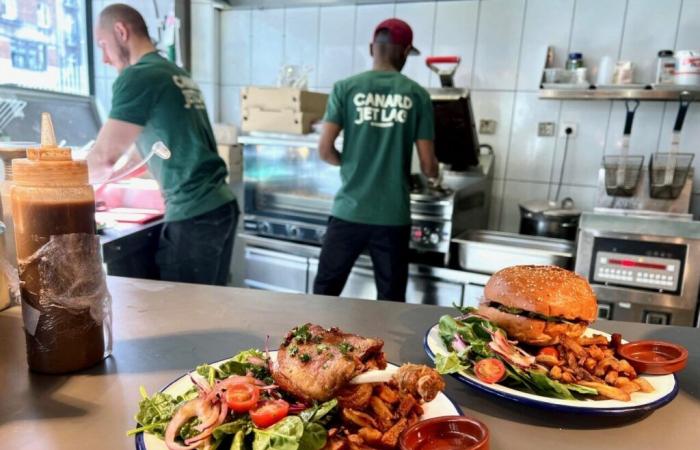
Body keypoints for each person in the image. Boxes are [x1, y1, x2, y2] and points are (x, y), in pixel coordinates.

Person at [89, 4, 237, 286]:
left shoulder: (138, 76)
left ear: (121, 31)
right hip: (218, 205)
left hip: (195, 212)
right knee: (209, 307)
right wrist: (105, 187)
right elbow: (135, 159)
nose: (105, 59)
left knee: (185, 311)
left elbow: (104, 157)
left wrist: (57, 187)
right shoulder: (172, 72)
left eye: (103, 45)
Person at [313, 18, 438, 301]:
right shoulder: (417, 95)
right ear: (405, 52)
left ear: (372, 48)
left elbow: (325, 149)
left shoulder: (345, 88)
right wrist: (434, 175)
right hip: (392, 217)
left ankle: (311, 345)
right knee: (391, 301)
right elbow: (429, 165)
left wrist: (352, 165)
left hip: (348, 211)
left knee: (322, 294)